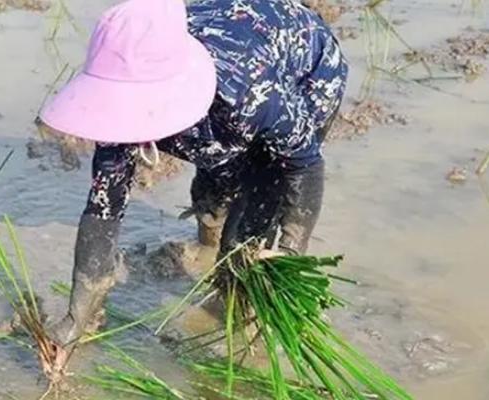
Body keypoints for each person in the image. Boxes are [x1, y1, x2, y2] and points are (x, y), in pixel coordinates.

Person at [38, 0, 348, 364]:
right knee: (212, 190)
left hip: (304, 68)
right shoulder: (122, 95)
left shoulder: (249, 93)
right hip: (223, 54)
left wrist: (289, 255)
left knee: (244, 239)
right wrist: (75, 319)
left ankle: (236, 307)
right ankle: (209, 239)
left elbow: (301, 163)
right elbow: (103, 206)